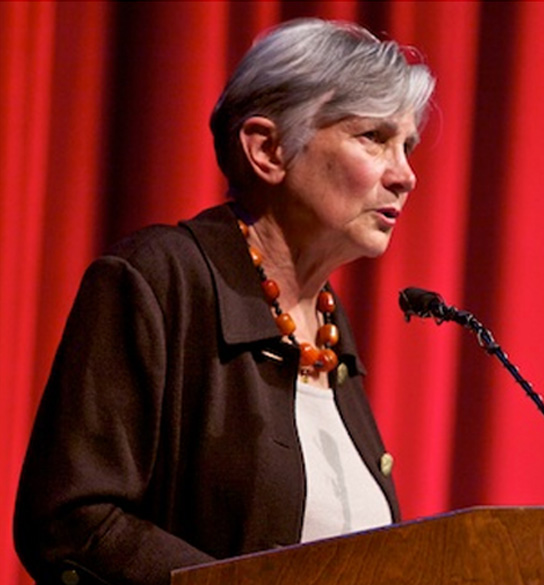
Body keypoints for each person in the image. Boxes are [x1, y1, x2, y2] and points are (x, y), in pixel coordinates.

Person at [13, 18, 435, 585]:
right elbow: (71, 521)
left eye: (407, 145)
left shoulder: (327, 328)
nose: (405, 175)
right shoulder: (160, 280)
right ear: (267, 148)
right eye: (374, 138)